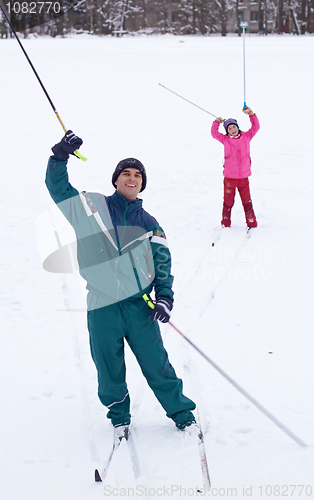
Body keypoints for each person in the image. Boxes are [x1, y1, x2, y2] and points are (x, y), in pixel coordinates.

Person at [45, 130, 196, 431]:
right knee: (109, 367)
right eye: (125, 173)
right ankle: (119, 418)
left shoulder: (150, 224)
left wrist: (164, 297)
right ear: (115, 180)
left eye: (137, 175)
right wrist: (60, 156)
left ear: (142, 183)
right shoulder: (91, 207)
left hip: (139, 306)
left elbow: (162, 265)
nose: (132, 178)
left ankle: (182, 415)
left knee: (157, 365)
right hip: (101, 304)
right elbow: (59, 189)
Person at [211, 107, 260, 229]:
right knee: (228, 202)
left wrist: (251, 114)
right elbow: (214, 133)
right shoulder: (225, 140)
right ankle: (225, 221)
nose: (233, 130)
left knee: (247, 201)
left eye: (234, 127)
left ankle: (251, 221)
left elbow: (256, 127)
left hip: (243, 177)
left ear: (238, 127)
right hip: (229, 178)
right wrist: (216, 122)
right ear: (227, 131)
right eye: (229, 128)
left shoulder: (246, 136)